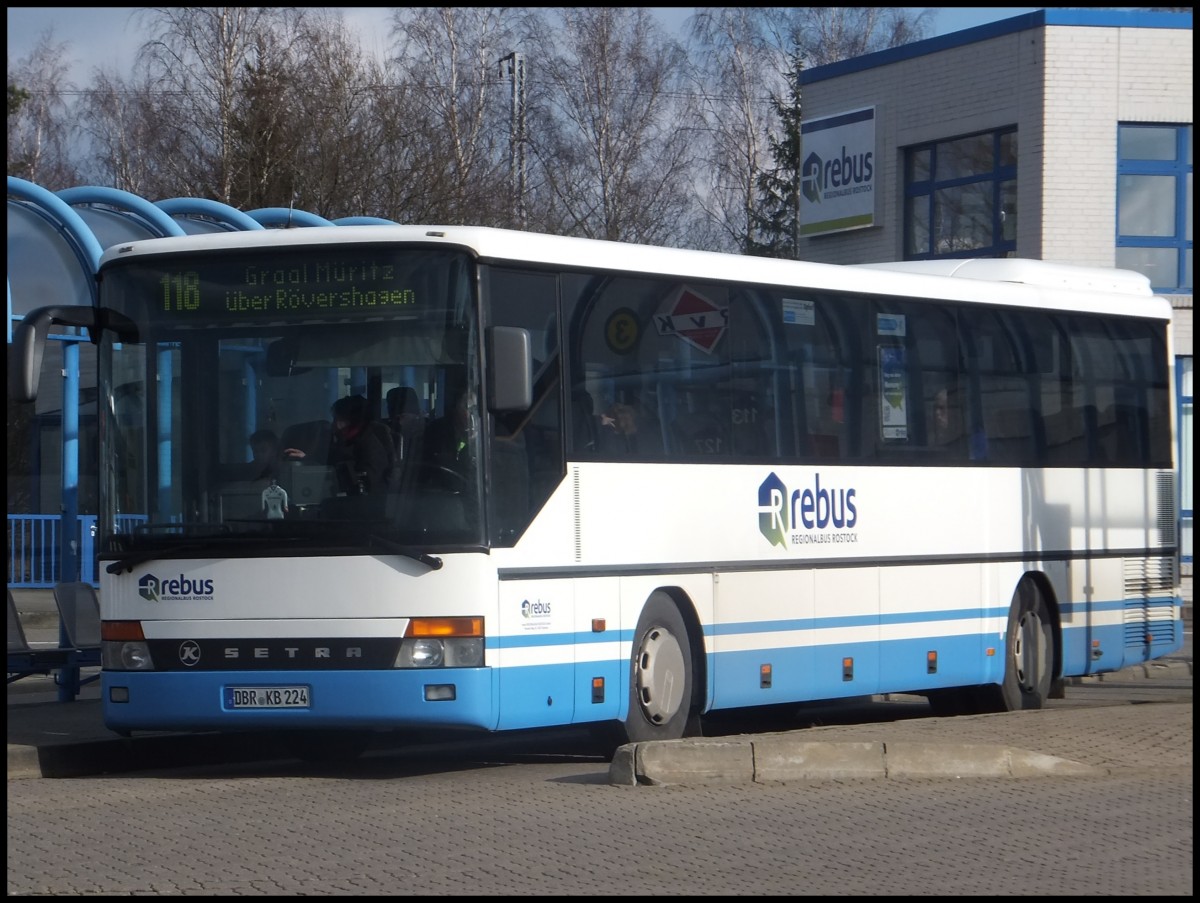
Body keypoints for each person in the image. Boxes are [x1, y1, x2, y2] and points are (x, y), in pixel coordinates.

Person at [284, 394, 393, 496]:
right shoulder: (343, 441)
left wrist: (336, 473)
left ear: (353, 421)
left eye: (338, 419)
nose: (334, 424)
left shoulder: (371, 447)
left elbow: (367, 482)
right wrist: (307, 459)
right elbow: (328, 462)